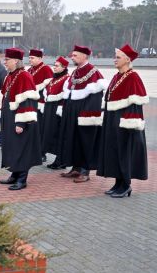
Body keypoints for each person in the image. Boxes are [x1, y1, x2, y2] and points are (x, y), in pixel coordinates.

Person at [98, 44, 148, 198]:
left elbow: (135, 104)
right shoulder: (117, 76)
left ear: (127, 60)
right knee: (114, 151)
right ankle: (117, 182)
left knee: (124, 152)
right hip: (112, 119)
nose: (115, 60)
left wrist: (129, 123)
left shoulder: (133, 77)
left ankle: (126, 185)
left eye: (118, 57)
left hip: (124, 122)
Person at [59, 45, 107, 182]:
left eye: (75, 55)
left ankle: (85, 171)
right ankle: (76, 168)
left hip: (85, 113)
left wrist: (88, 114)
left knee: (85, 141)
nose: (72, 57)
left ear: (84, 56)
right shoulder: (76, 71)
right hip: (73, 111)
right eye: (72, 55)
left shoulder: (93, 72)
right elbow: (70, 92)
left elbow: (96, 96)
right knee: (73, 140)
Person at [0, 48, 42, 190]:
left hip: (19, 120)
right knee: (12, 148)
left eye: (7, 60)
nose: (4, 62)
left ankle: (22, 179)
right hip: (9, 118)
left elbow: (28, 102)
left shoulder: (24, 76)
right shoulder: (10, 75)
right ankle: (14, 175)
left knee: (21, 149)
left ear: (16, 61)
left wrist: (21, 123)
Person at [40, 56, 70, 169]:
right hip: (49, 108)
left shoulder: (67, 78)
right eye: (54, 65)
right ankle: (57, 159)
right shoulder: (54, 78)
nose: (54, 67)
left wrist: (60, 108)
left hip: (57, 110)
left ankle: (60, 160)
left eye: (57, 66)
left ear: (64, 67)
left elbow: (65, 95)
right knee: (49, 133)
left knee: (58, 134)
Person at [27, 49, 53, 162]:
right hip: (31, 104)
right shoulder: (30, 70)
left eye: (32, 58)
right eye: (29, 57)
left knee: (40, 129)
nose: (30, 60)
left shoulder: (46, 69)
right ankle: (32, 150)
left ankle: (42, 153)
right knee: (31, 129)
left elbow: (49, 87)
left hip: (41, 104)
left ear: (40, 58)